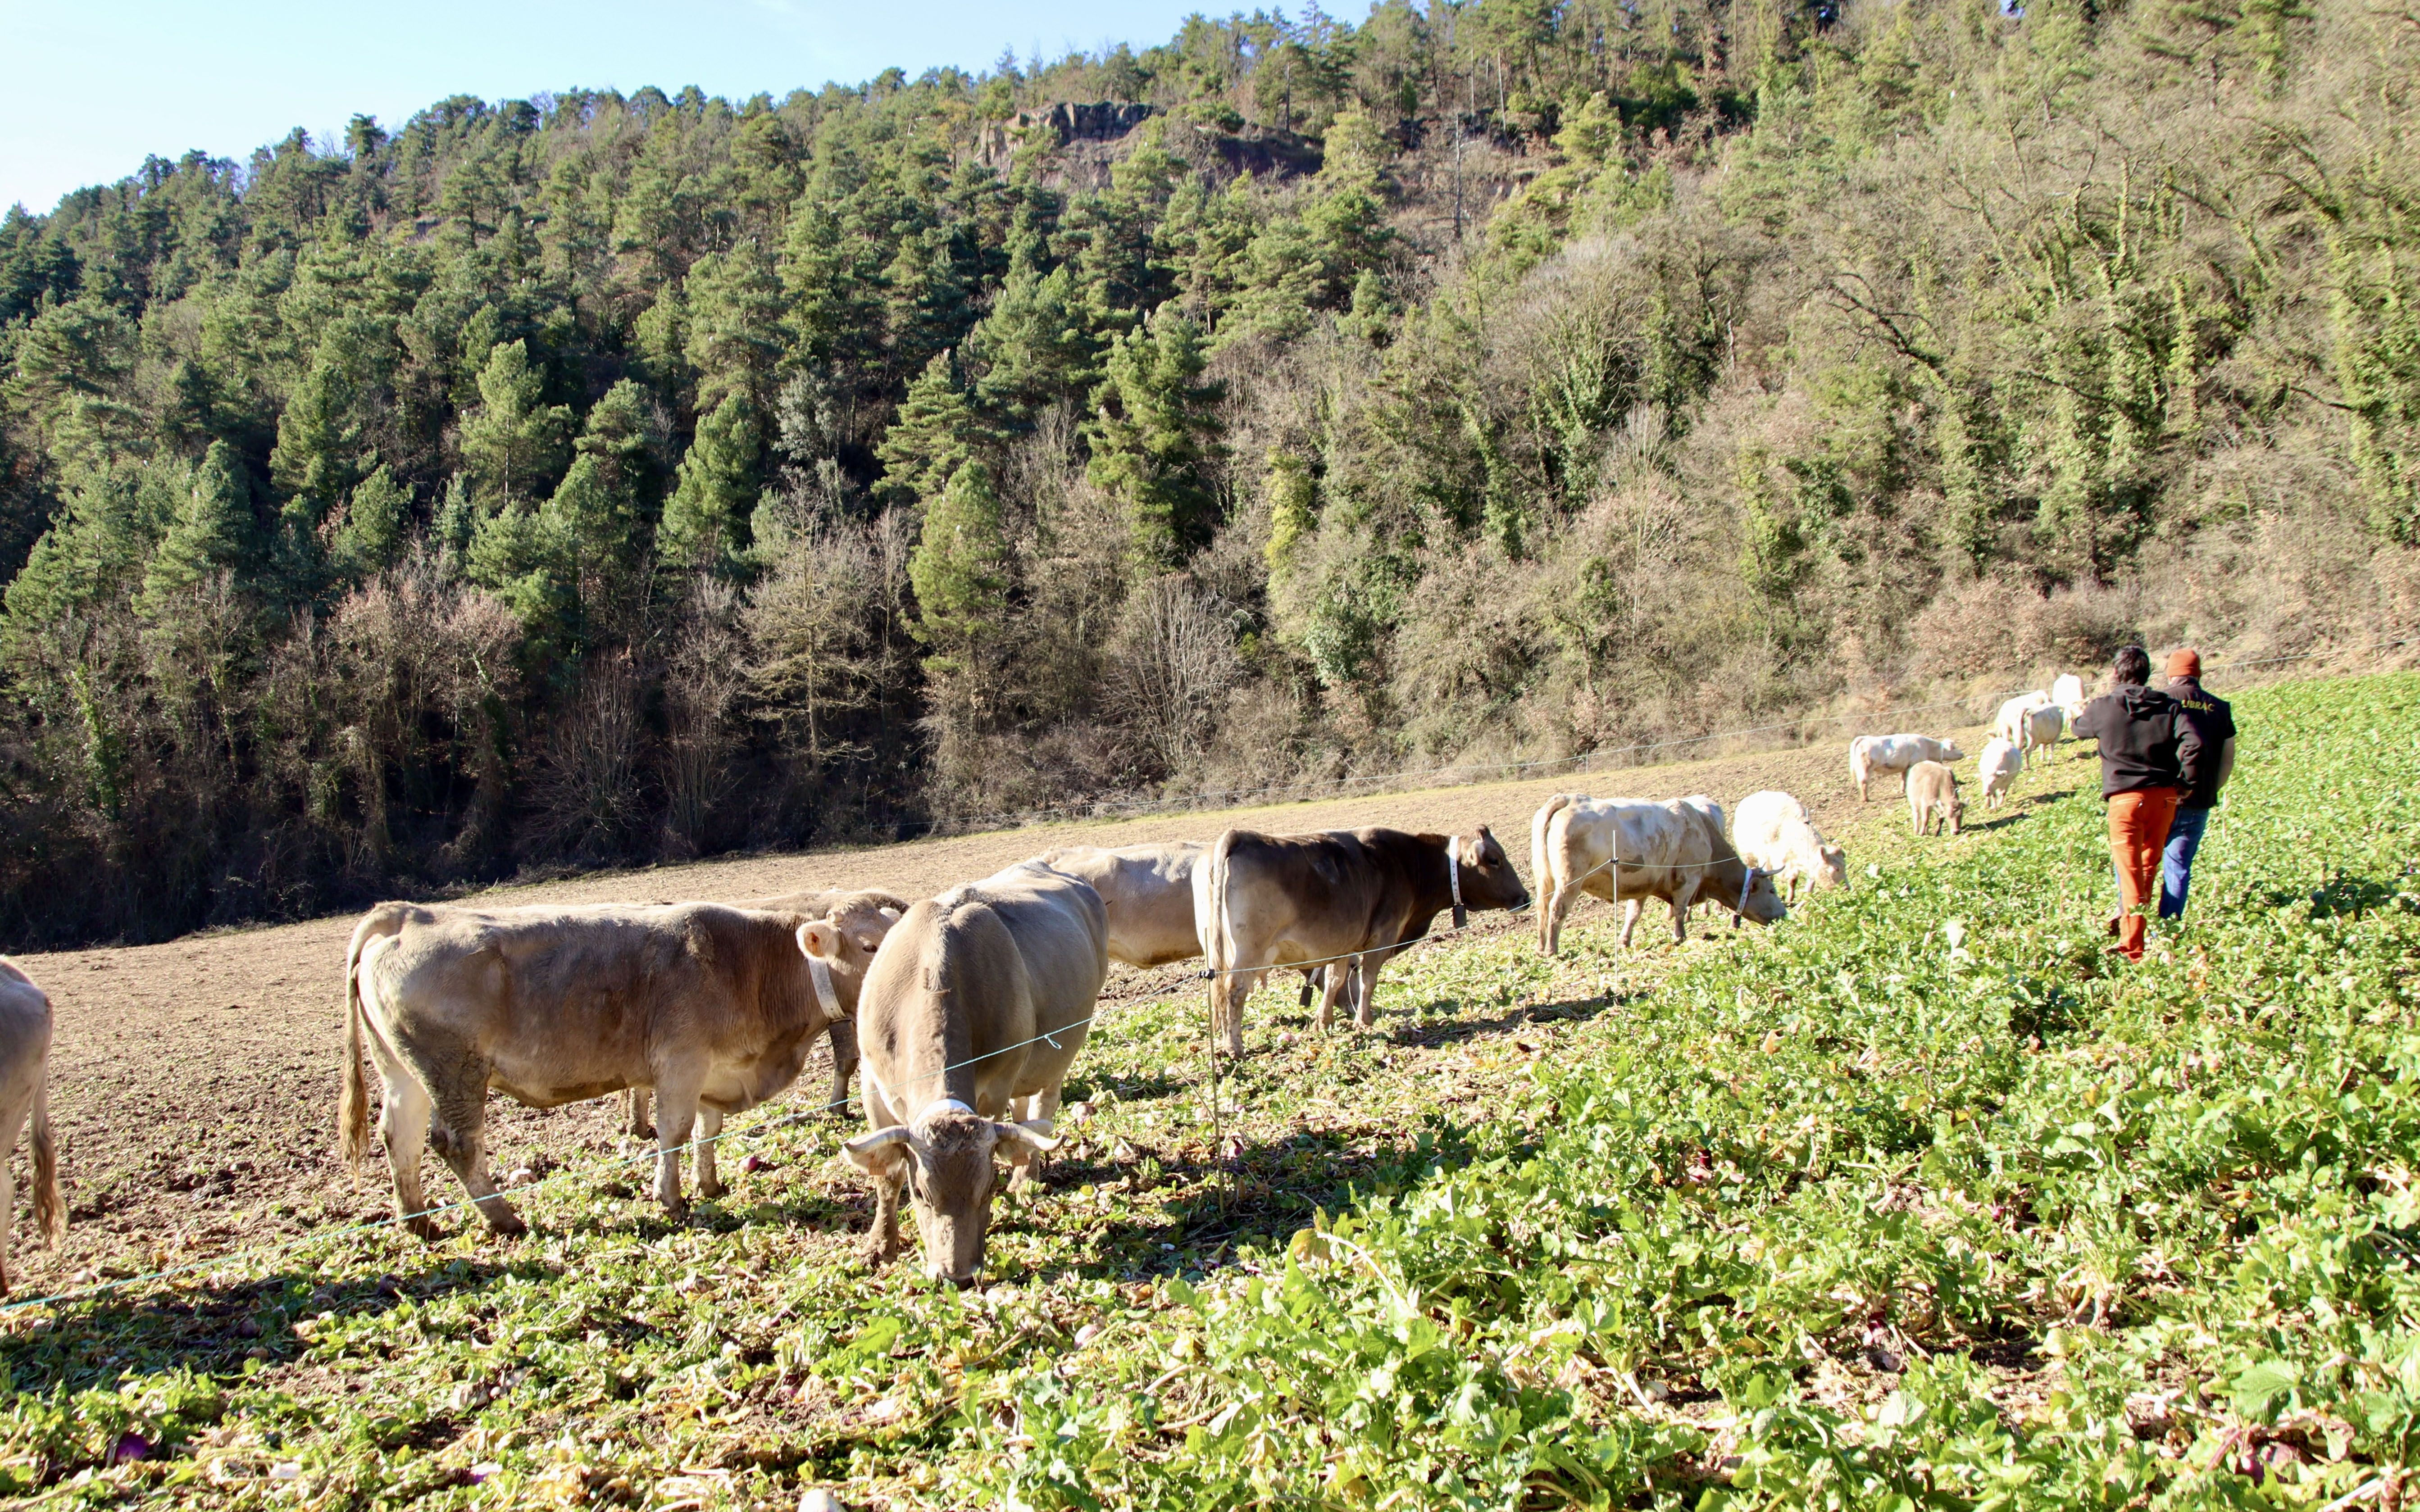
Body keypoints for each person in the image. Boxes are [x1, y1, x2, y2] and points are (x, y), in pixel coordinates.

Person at [2071, 645, 2201, 962]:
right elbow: (2194, 743)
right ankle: (2144, 940)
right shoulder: (2170, 706)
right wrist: (2185, 783)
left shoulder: (2104, 707)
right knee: (2147, 869)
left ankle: (2133, 949)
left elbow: (2078, 729)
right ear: (2148, 674)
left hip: (2125, 800)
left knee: (2129, 873)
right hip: (2164, 798)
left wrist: (2080, 710)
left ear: (2116, 674)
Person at [2159, 648, 2235, 918]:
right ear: (2198, 675)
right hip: (2199, 800)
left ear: (2171, 674)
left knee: (2143, 863)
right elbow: (2227, 760)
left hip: (2160, 798)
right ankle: (2169, 928)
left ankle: (2135, 928)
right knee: (2178, 866)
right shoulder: (2221, 708)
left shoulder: (2161, 701)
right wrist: (2209, 789)